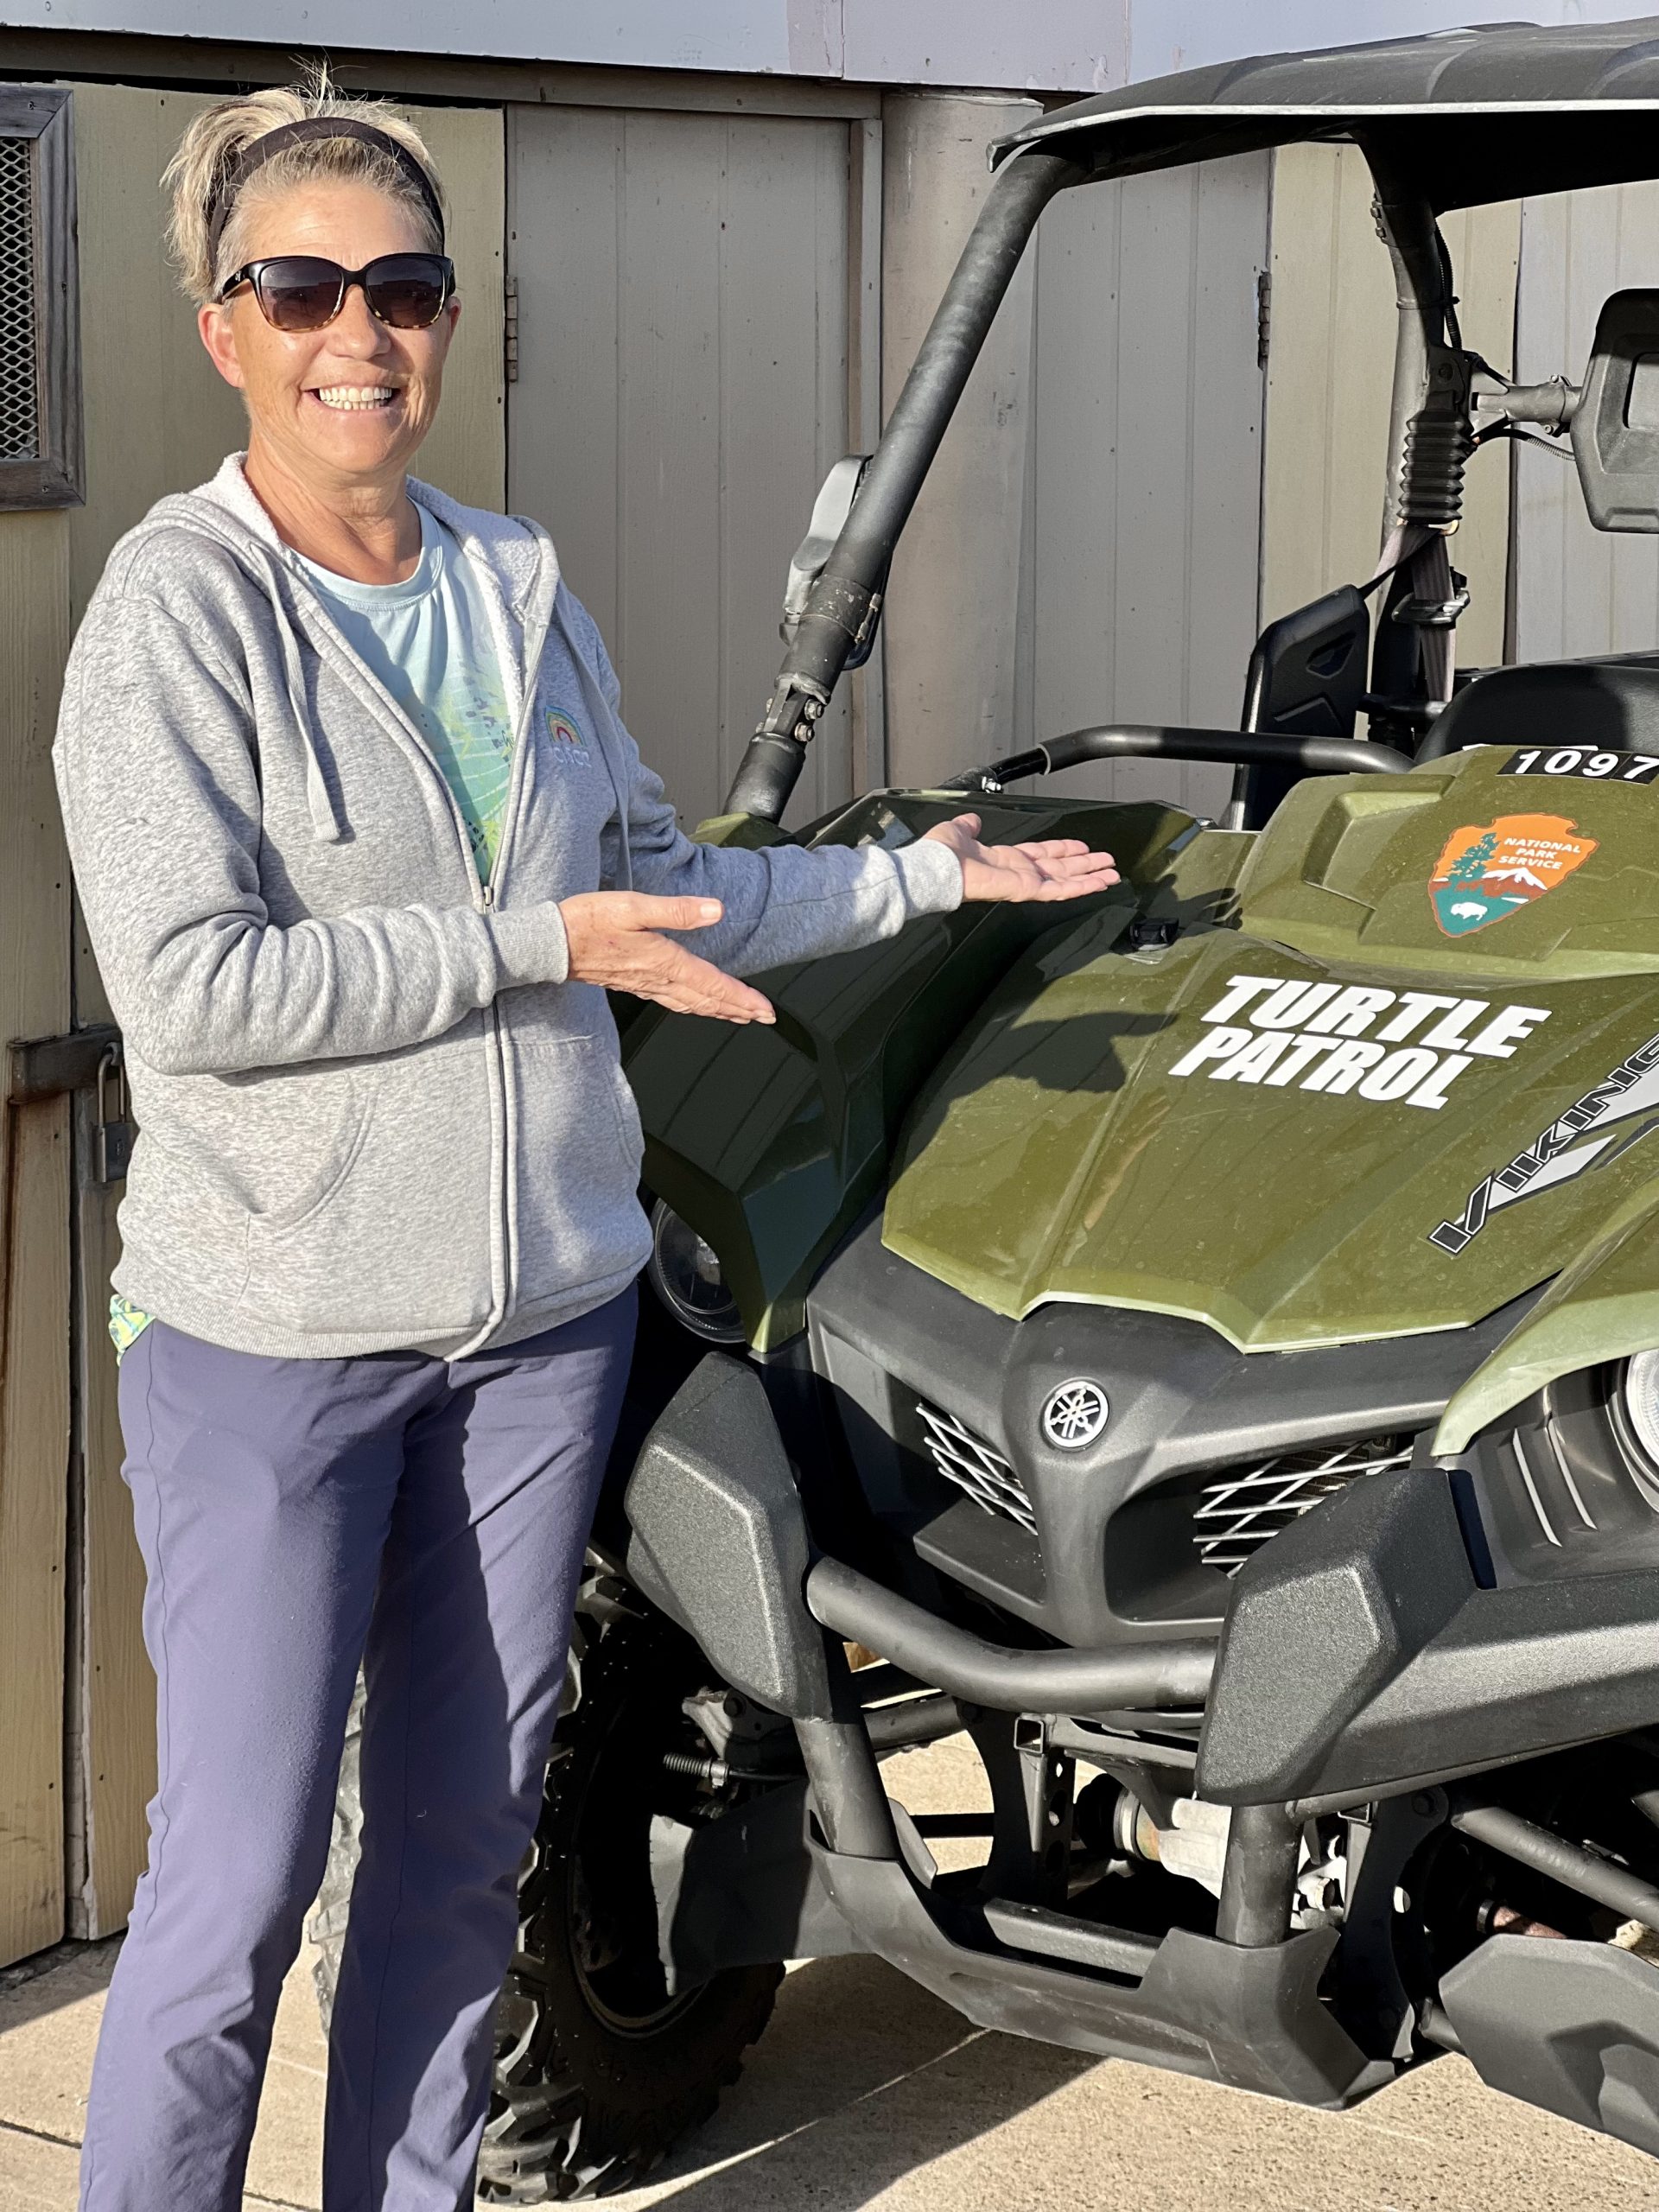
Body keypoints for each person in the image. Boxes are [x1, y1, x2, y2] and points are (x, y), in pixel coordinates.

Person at [53, 79, 1121, 2212]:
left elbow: (653, 877)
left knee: (460, 1853)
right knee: (237, 1885)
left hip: (540, 1324)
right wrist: (530, 940)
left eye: (408, 287)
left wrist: (918, 883)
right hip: (274, 1333)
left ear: (456, 317)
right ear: (227, 326)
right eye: (305, 287)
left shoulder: (513, 583)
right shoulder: (175, 616)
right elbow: (194, 990)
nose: (362, 330)